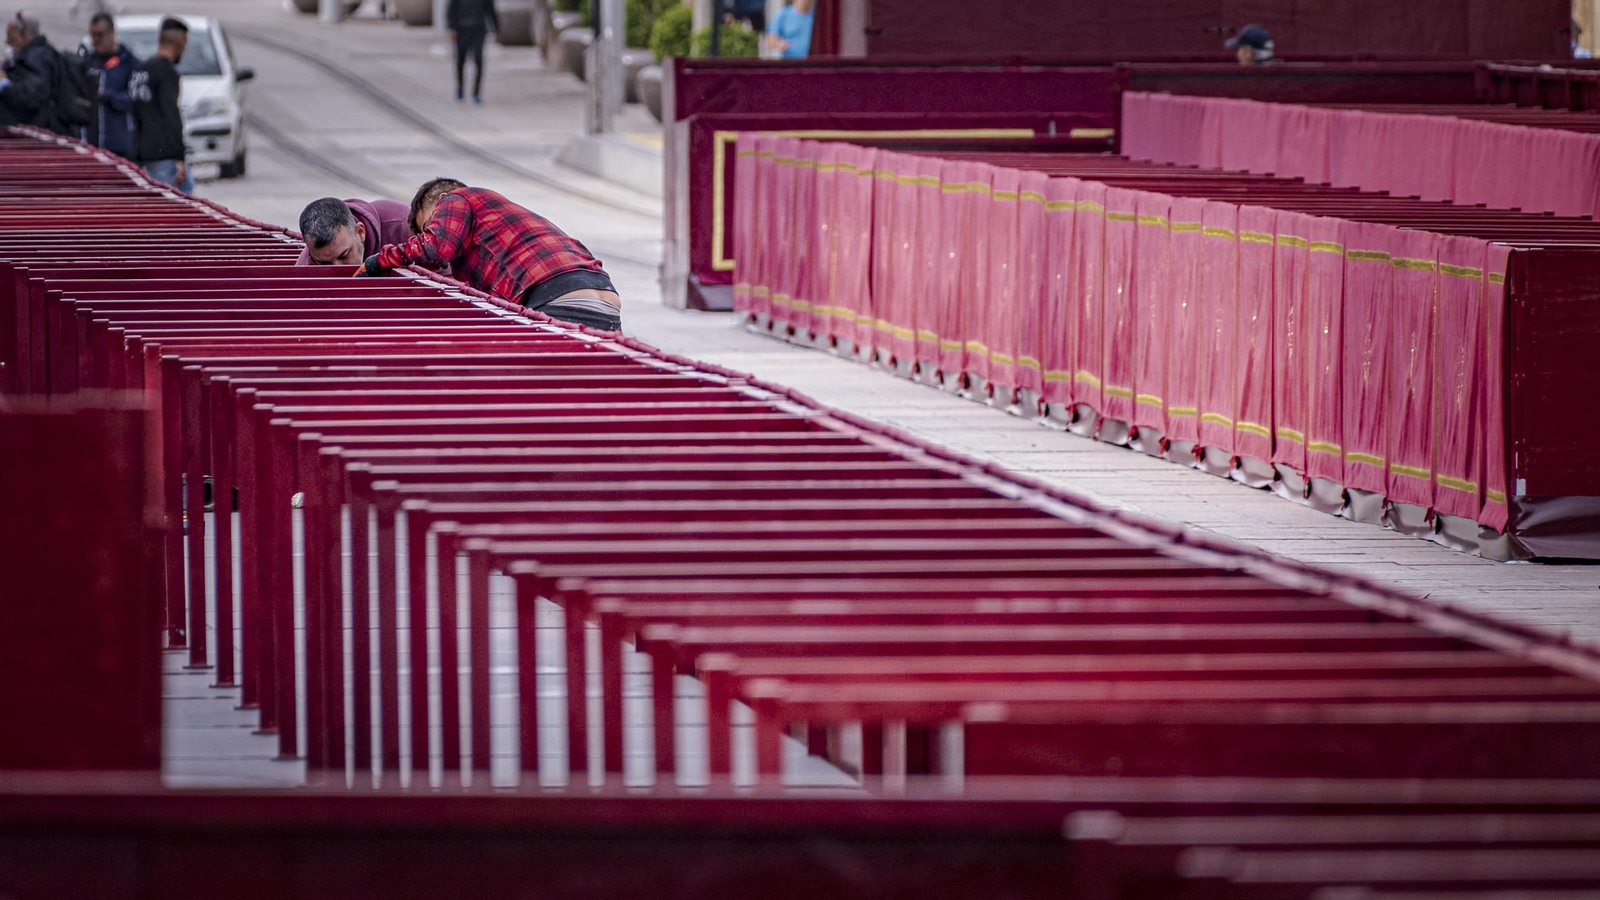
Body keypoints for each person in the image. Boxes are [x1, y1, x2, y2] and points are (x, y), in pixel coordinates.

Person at [356, 177, 622, 332]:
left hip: (555, 295)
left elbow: (435, 247)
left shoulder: (456, 199)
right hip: (603, 297)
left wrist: (380, 261)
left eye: (430, 225)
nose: (431, 232)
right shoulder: (499, 227)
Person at [130, 17, 190, 193]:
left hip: (143, 152)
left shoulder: (141, 70)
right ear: (179, 42)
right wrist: (179, 156)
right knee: (178, 199)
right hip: (164, 155)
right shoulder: (166, 72)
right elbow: (171, 113)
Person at [296, 197, 414, 266]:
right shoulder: (307, 264)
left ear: (360, 232)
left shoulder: (404, 225)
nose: (338, 269)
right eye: (324, 264)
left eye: (344, 255)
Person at [83, 12, 138, 158]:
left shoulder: (129, 63)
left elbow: (134, 100)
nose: (96, 40)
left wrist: (105, 95)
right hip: (91, 145)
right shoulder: (87, 62)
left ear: (112, 33)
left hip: (120, 145)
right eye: (93, 35)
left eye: (100, 35)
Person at [0, 11, 62, 131]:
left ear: (22, 32)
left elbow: (31, 96)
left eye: (9, 34)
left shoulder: (38, 57)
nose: (7, 41)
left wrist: (4, 84)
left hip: (33, 132)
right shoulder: (31, 56)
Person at [447, 0, 497, 104]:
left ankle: (476, 92)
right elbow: (451, 10)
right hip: (462, 29)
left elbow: (490, 10)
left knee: (478, 60)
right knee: (461, 61)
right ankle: (460, 88)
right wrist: (452, 28)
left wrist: (496, 29)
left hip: (478, 30)